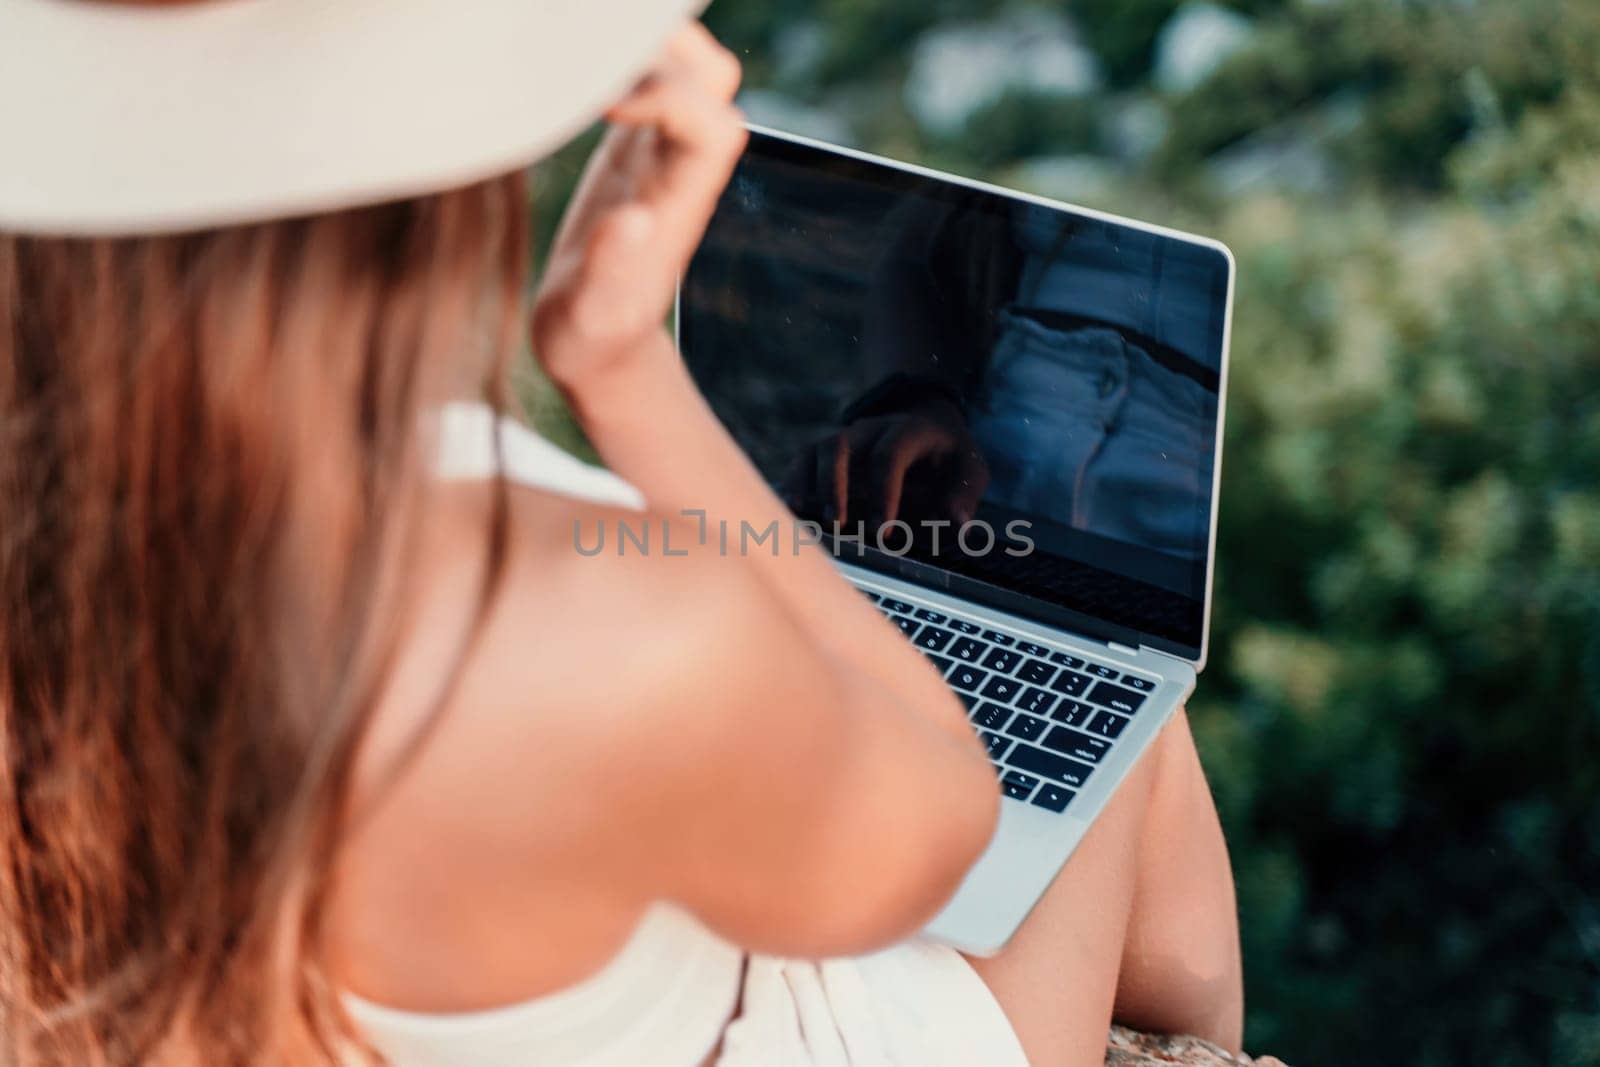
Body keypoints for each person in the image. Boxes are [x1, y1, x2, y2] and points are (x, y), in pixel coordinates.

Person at [0, 2, 1242, 1064]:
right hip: (801, 1022)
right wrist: (622, 368)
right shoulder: (593, 636)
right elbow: (943, 817)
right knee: (1113, 685)